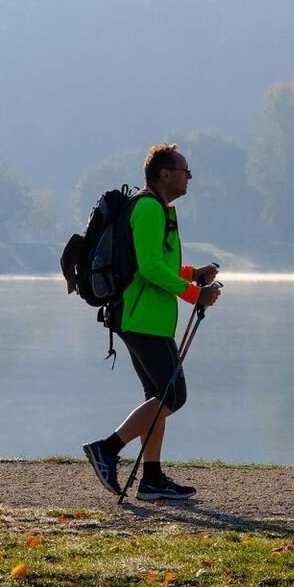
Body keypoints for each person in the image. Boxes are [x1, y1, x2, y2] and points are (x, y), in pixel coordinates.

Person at [81, 143, 221, 501]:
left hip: (150, 319)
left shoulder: (161, 209)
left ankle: (152, 479)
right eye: (184, 170)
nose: (189, 177)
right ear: (164, 174)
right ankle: (107, 449)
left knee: (157, 397)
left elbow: (159, 263)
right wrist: (193, 294)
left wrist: (193, 273)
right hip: (140, 317)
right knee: (173, 396)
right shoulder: (148, 208)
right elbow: (149, 268)